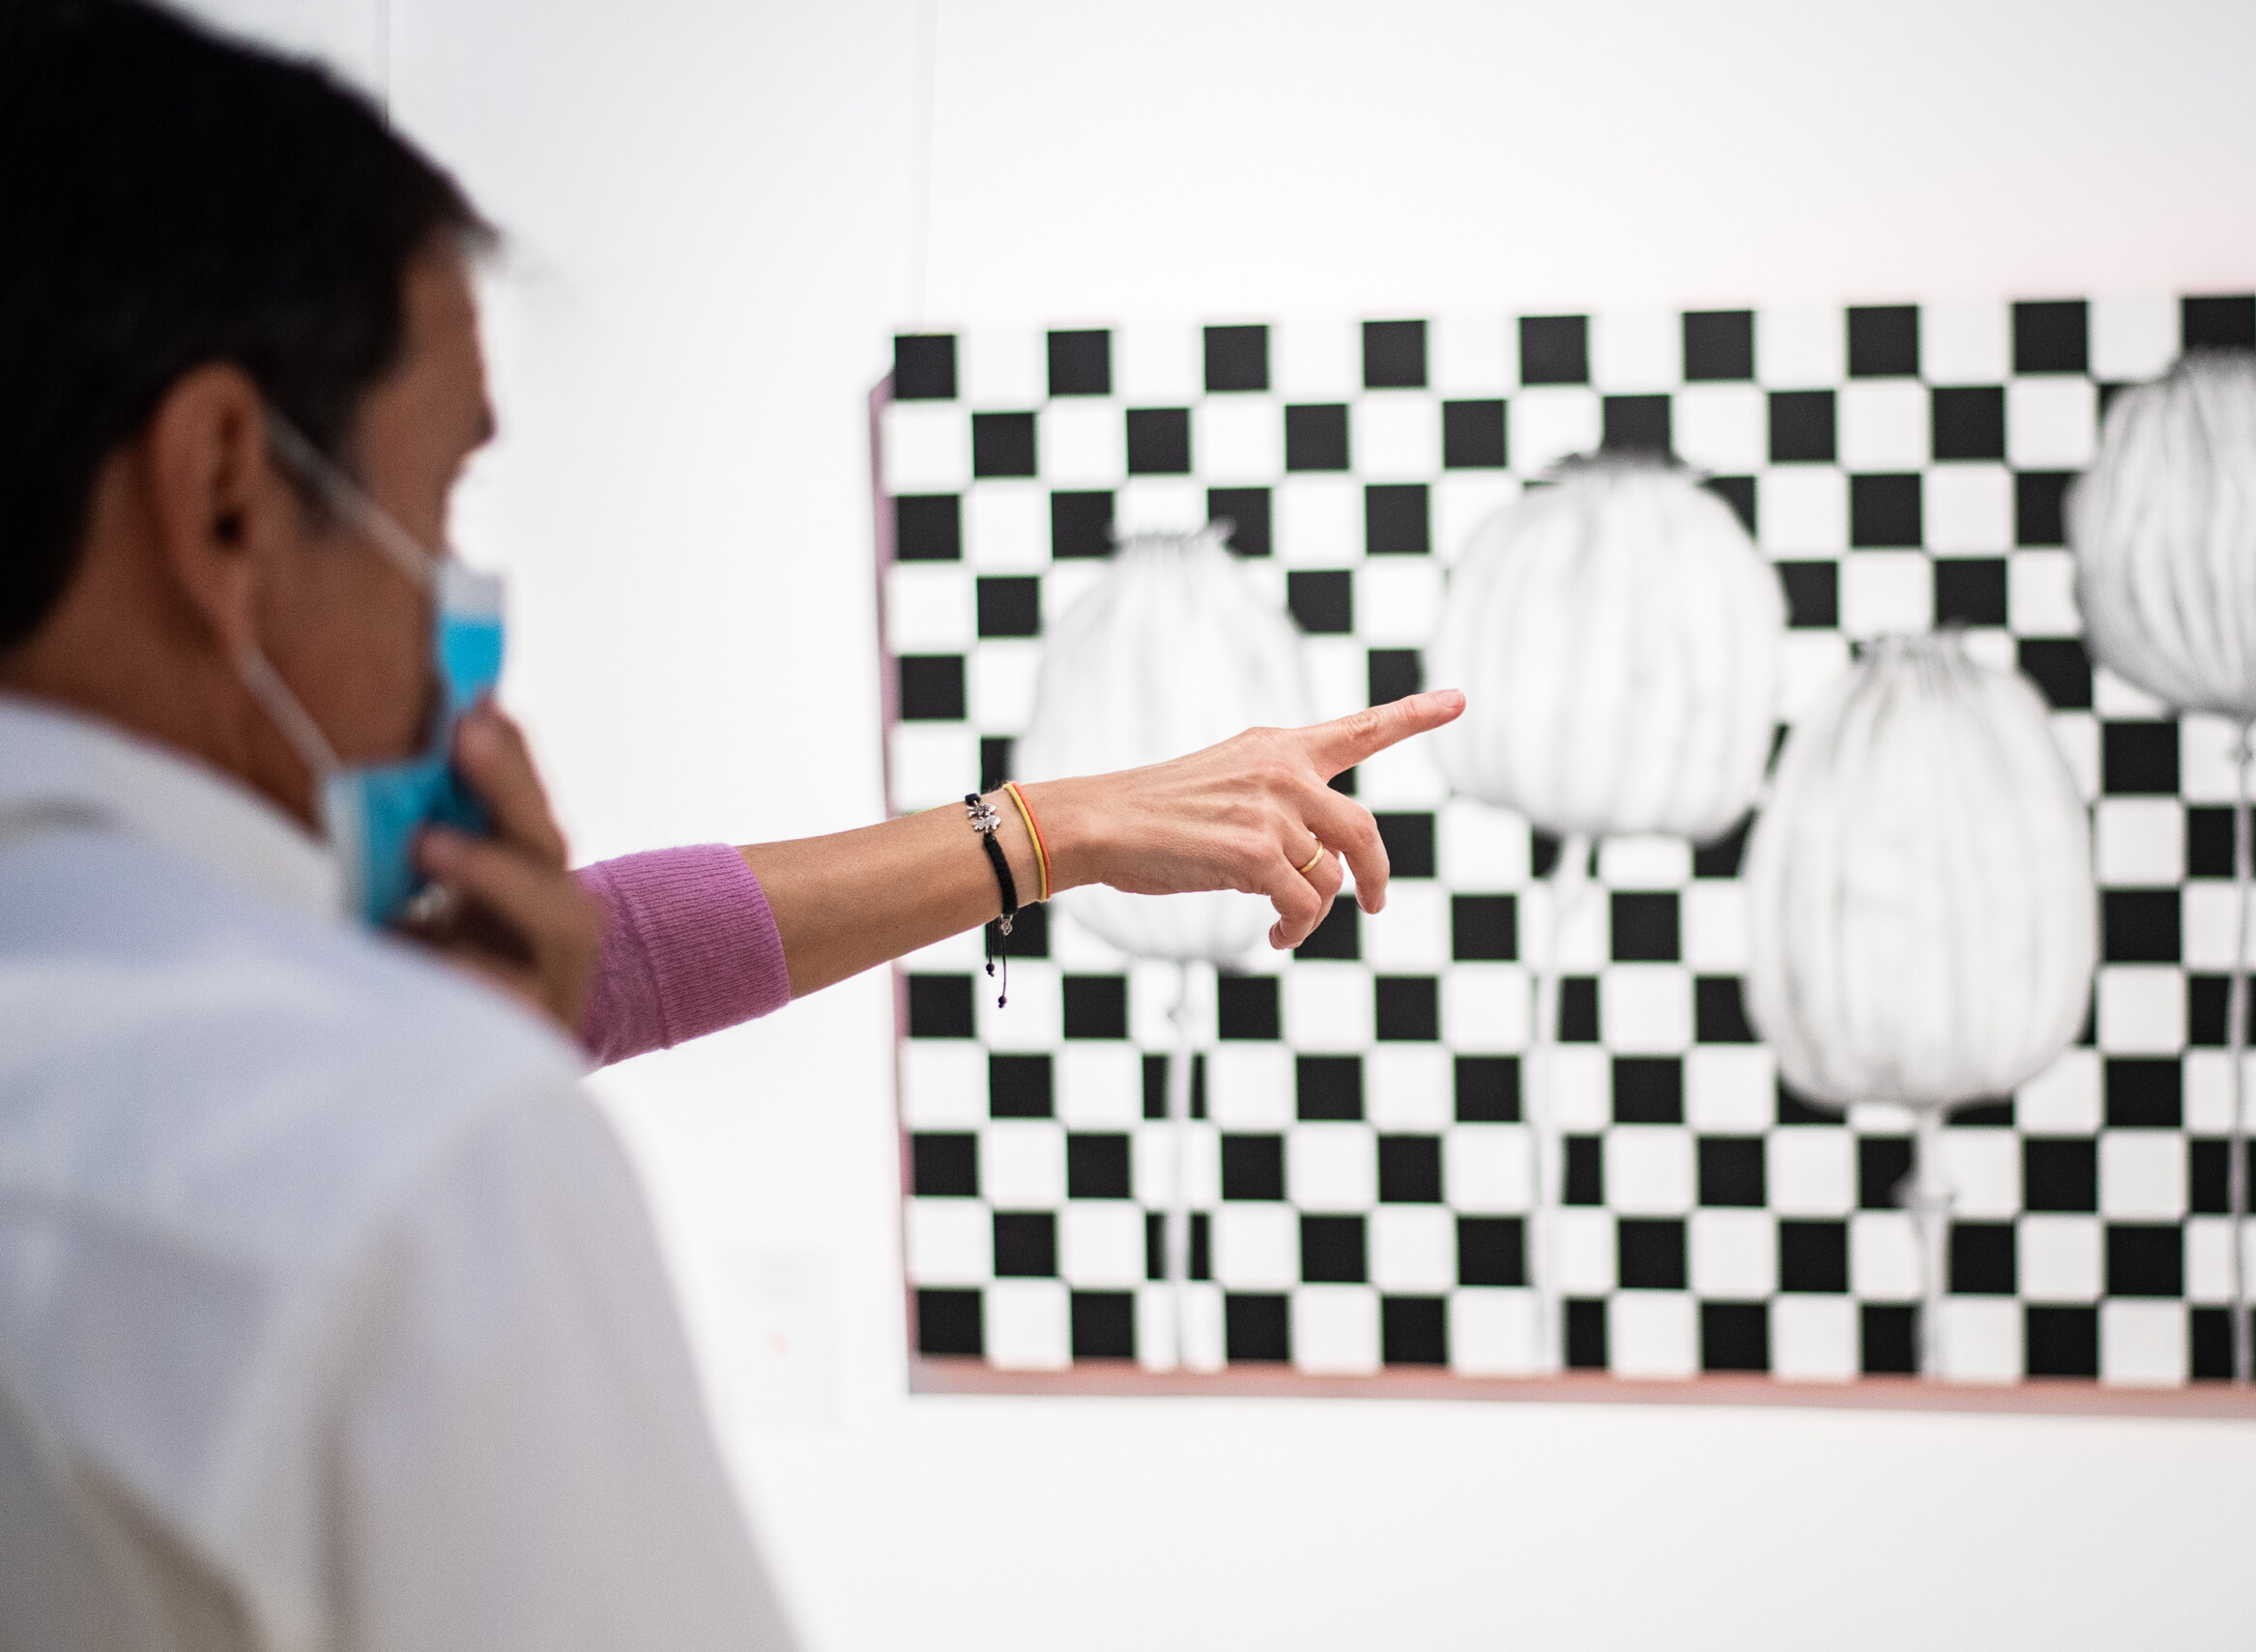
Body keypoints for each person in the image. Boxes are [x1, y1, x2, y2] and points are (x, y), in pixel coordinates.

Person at [0, 3, 1462, 1647]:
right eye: (438, 498)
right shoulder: (402, 1155)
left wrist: (1053, 826)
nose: (459, 600)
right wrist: (453, 1081)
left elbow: (604, 955)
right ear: (222, 490)